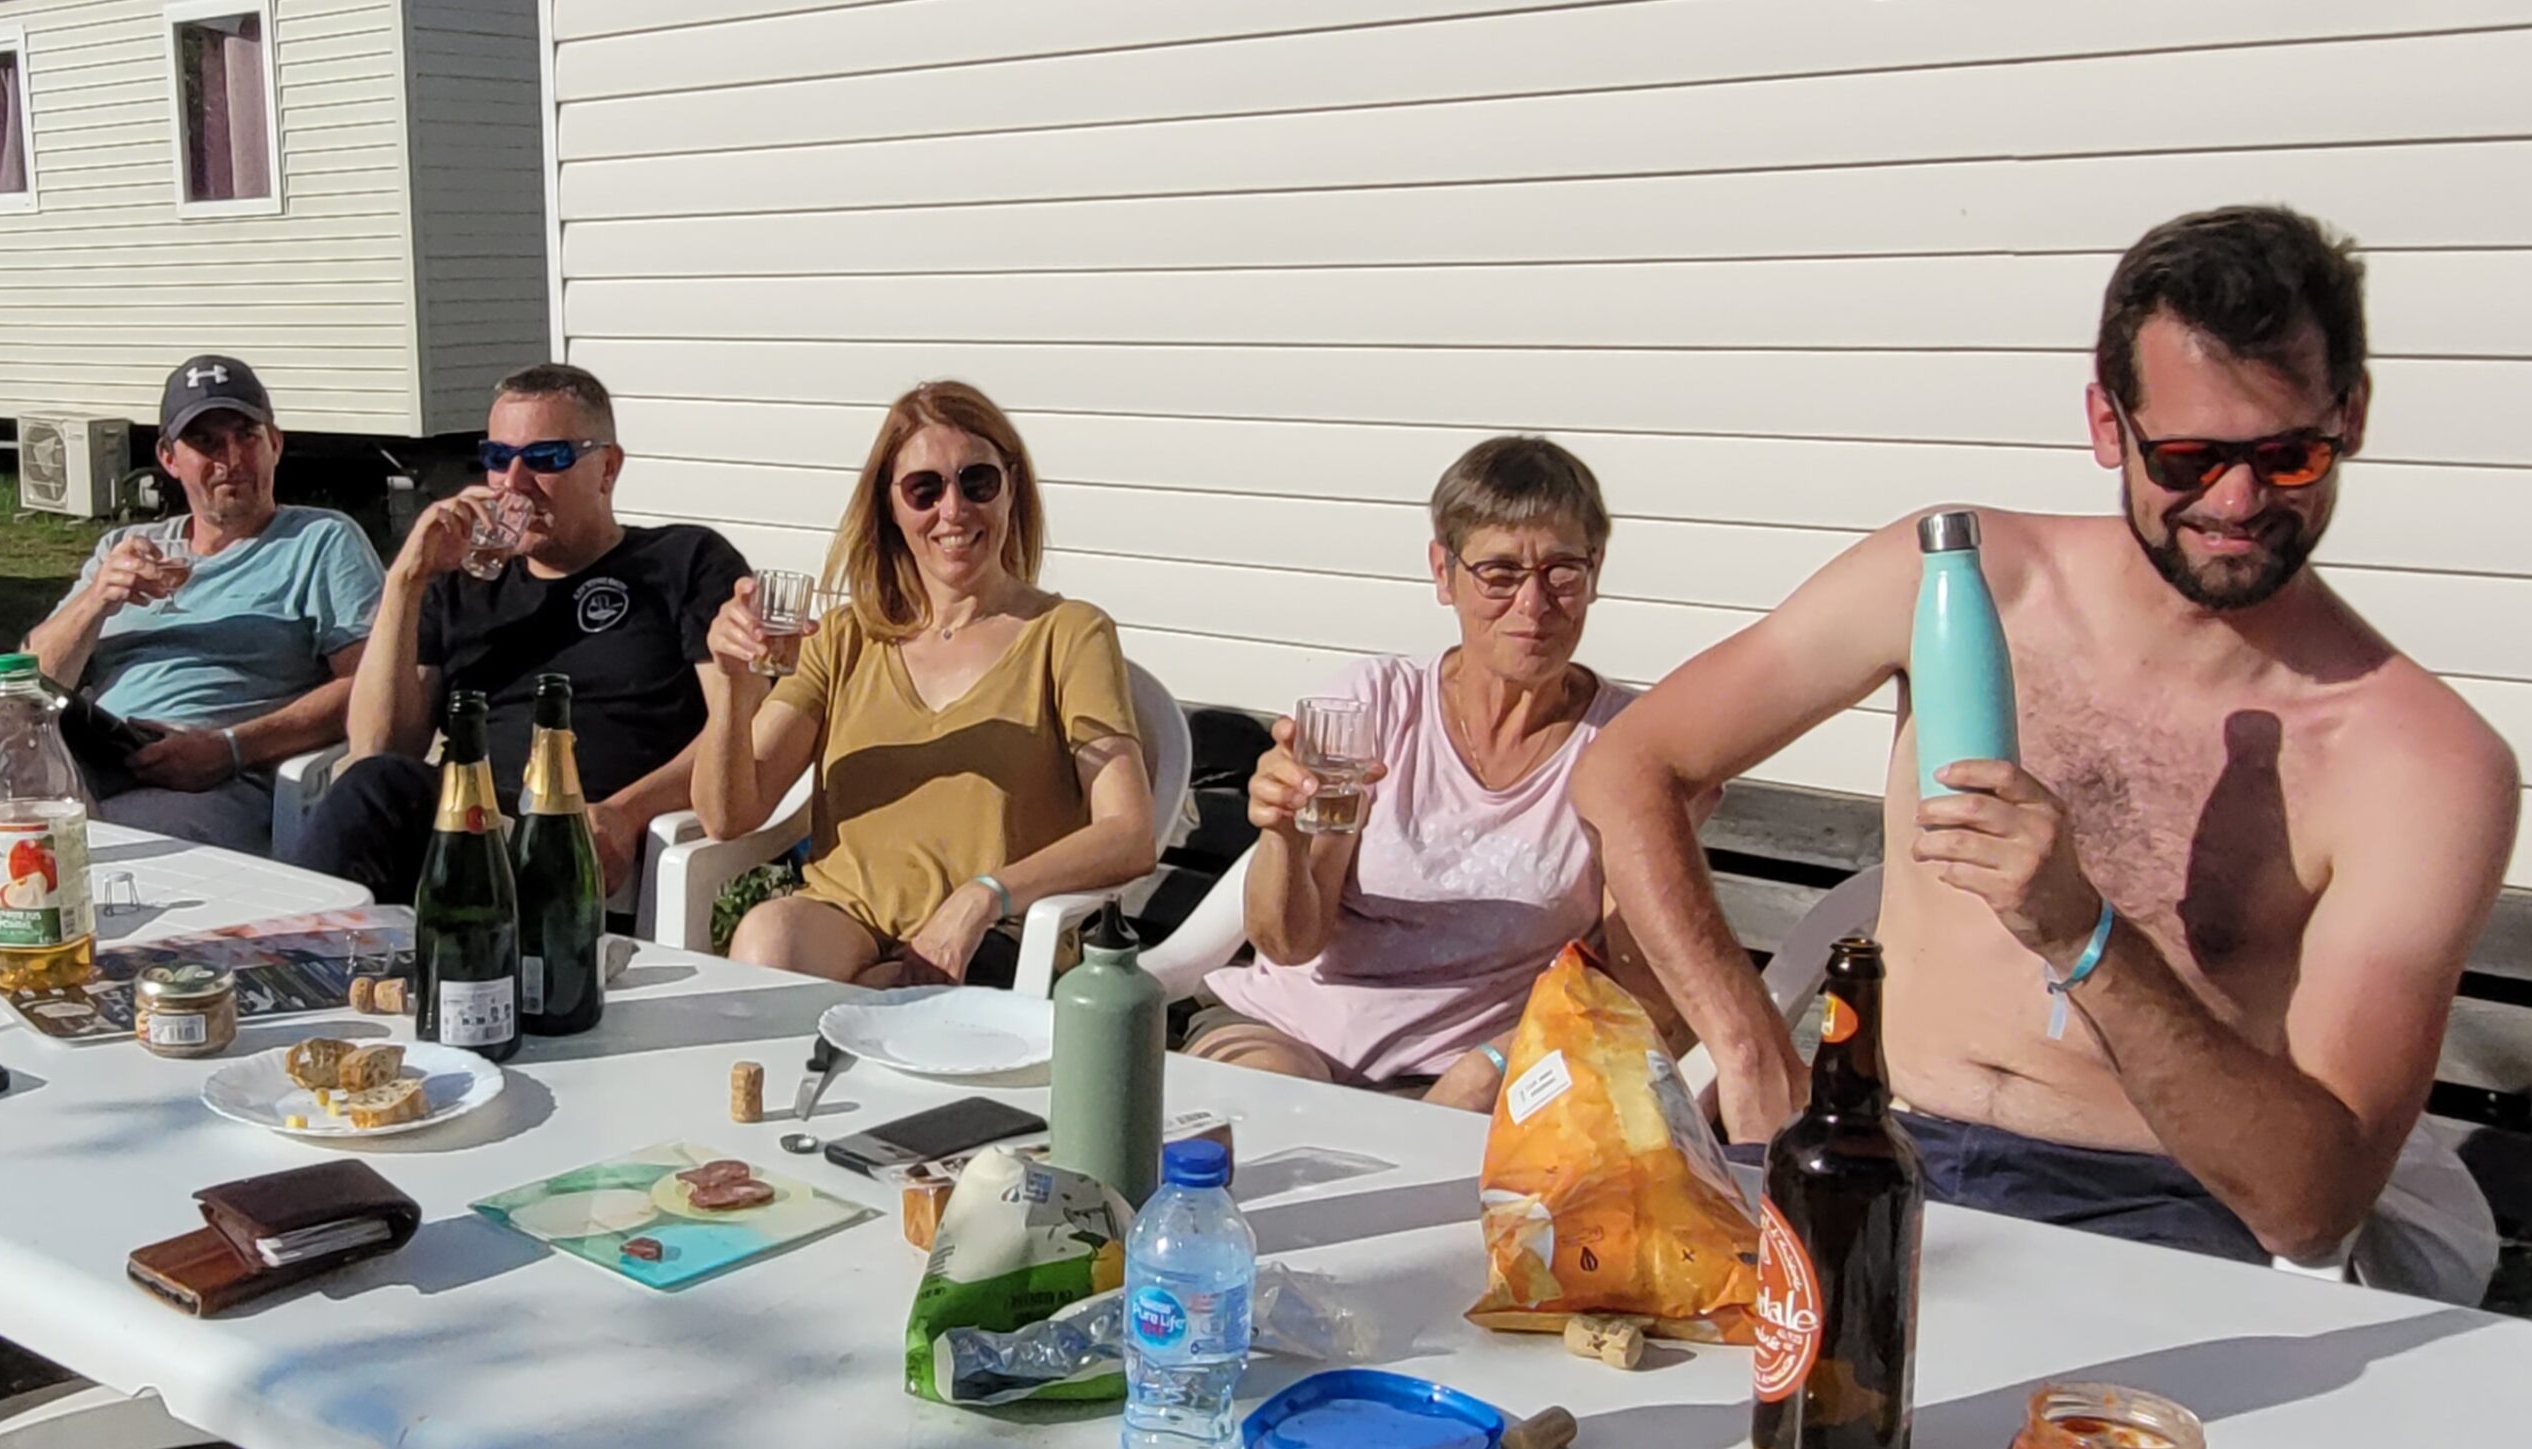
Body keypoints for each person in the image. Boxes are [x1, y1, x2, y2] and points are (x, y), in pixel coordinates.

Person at [1575, 205, 2520, 1269]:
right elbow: (1631, 766)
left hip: (2151, 1209)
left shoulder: (2420, 762)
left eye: (2288, 456)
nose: (2238, 500)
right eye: (2188, 457)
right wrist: (1748, 1050)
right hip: (1876, 1140)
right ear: (2108, 425)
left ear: (2350, 416)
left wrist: (2085, 936)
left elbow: (2311, 1204)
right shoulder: (1965, 583)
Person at [1184, 437, 1691, 1110]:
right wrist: (1283, 834)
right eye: (1500, 573)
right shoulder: (1378, 704)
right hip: (1286, 1031)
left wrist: (1496, 1062)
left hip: (1484, 1072)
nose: (1533, 605)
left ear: (1595, 572)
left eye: (1562, 571)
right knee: (1260, 1107)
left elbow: (1639, 985)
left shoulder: (1623, 744)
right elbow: (1288, 942)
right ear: (1444, 572)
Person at [693, 380, 1156, 986]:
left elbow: (1128, 834)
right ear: (890, 506)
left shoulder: (1068, 634)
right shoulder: (845, 637)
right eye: (924, 489)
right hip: (845, 922)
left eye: (977, 481)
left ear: (1011, 488)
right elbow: (727, 816)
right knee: (767, 940)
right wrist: (732, 686)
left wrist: (982, 896)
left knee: (866, 1001)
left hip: (996, 938)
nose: (953, 510)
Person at [290, 363, 746, 902]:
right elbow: (379, 747)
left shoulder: (683, 562)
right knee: (374, 788)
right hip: (466, 824)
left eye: (545, 458)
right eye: (497, 458)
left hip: (586, 828)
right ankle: (303, 948)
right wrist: (406, 580)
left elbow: (741, 725)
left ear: (607, 468)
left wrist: (628, 811)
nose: (514, 482)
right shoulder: (459, 583)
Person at [14, 355, 381, 853]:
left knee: (92, 840)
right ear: (168, 458)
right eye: (205, 442)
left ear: (275, 444)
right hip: (94, 754)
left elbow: (369, 686)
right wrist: (97, 599)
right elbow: (31, 680)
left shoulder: (321, 540)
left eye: (246, 436)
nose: (231, 459)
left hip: (208, 780)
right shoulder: (124, 548)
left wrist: (229, 749)